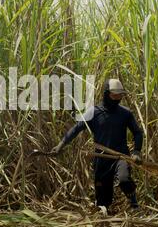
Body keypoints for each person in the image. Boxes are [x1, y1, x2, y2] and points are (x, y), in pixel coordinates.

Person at [51, 79, 143, 210]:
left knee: (124, 179)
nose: (117, 98)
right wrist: (61, 145)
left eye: (120, 95)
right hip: (101, 160)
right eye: (114, 95)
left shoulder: (125, 113)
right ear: (106, 94)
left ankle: (134, 205)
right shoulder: (93, 112)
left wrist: (136, 152)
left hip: (121, 156)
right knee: (102, 203)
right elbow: (76, 129)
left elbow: (138, 133)